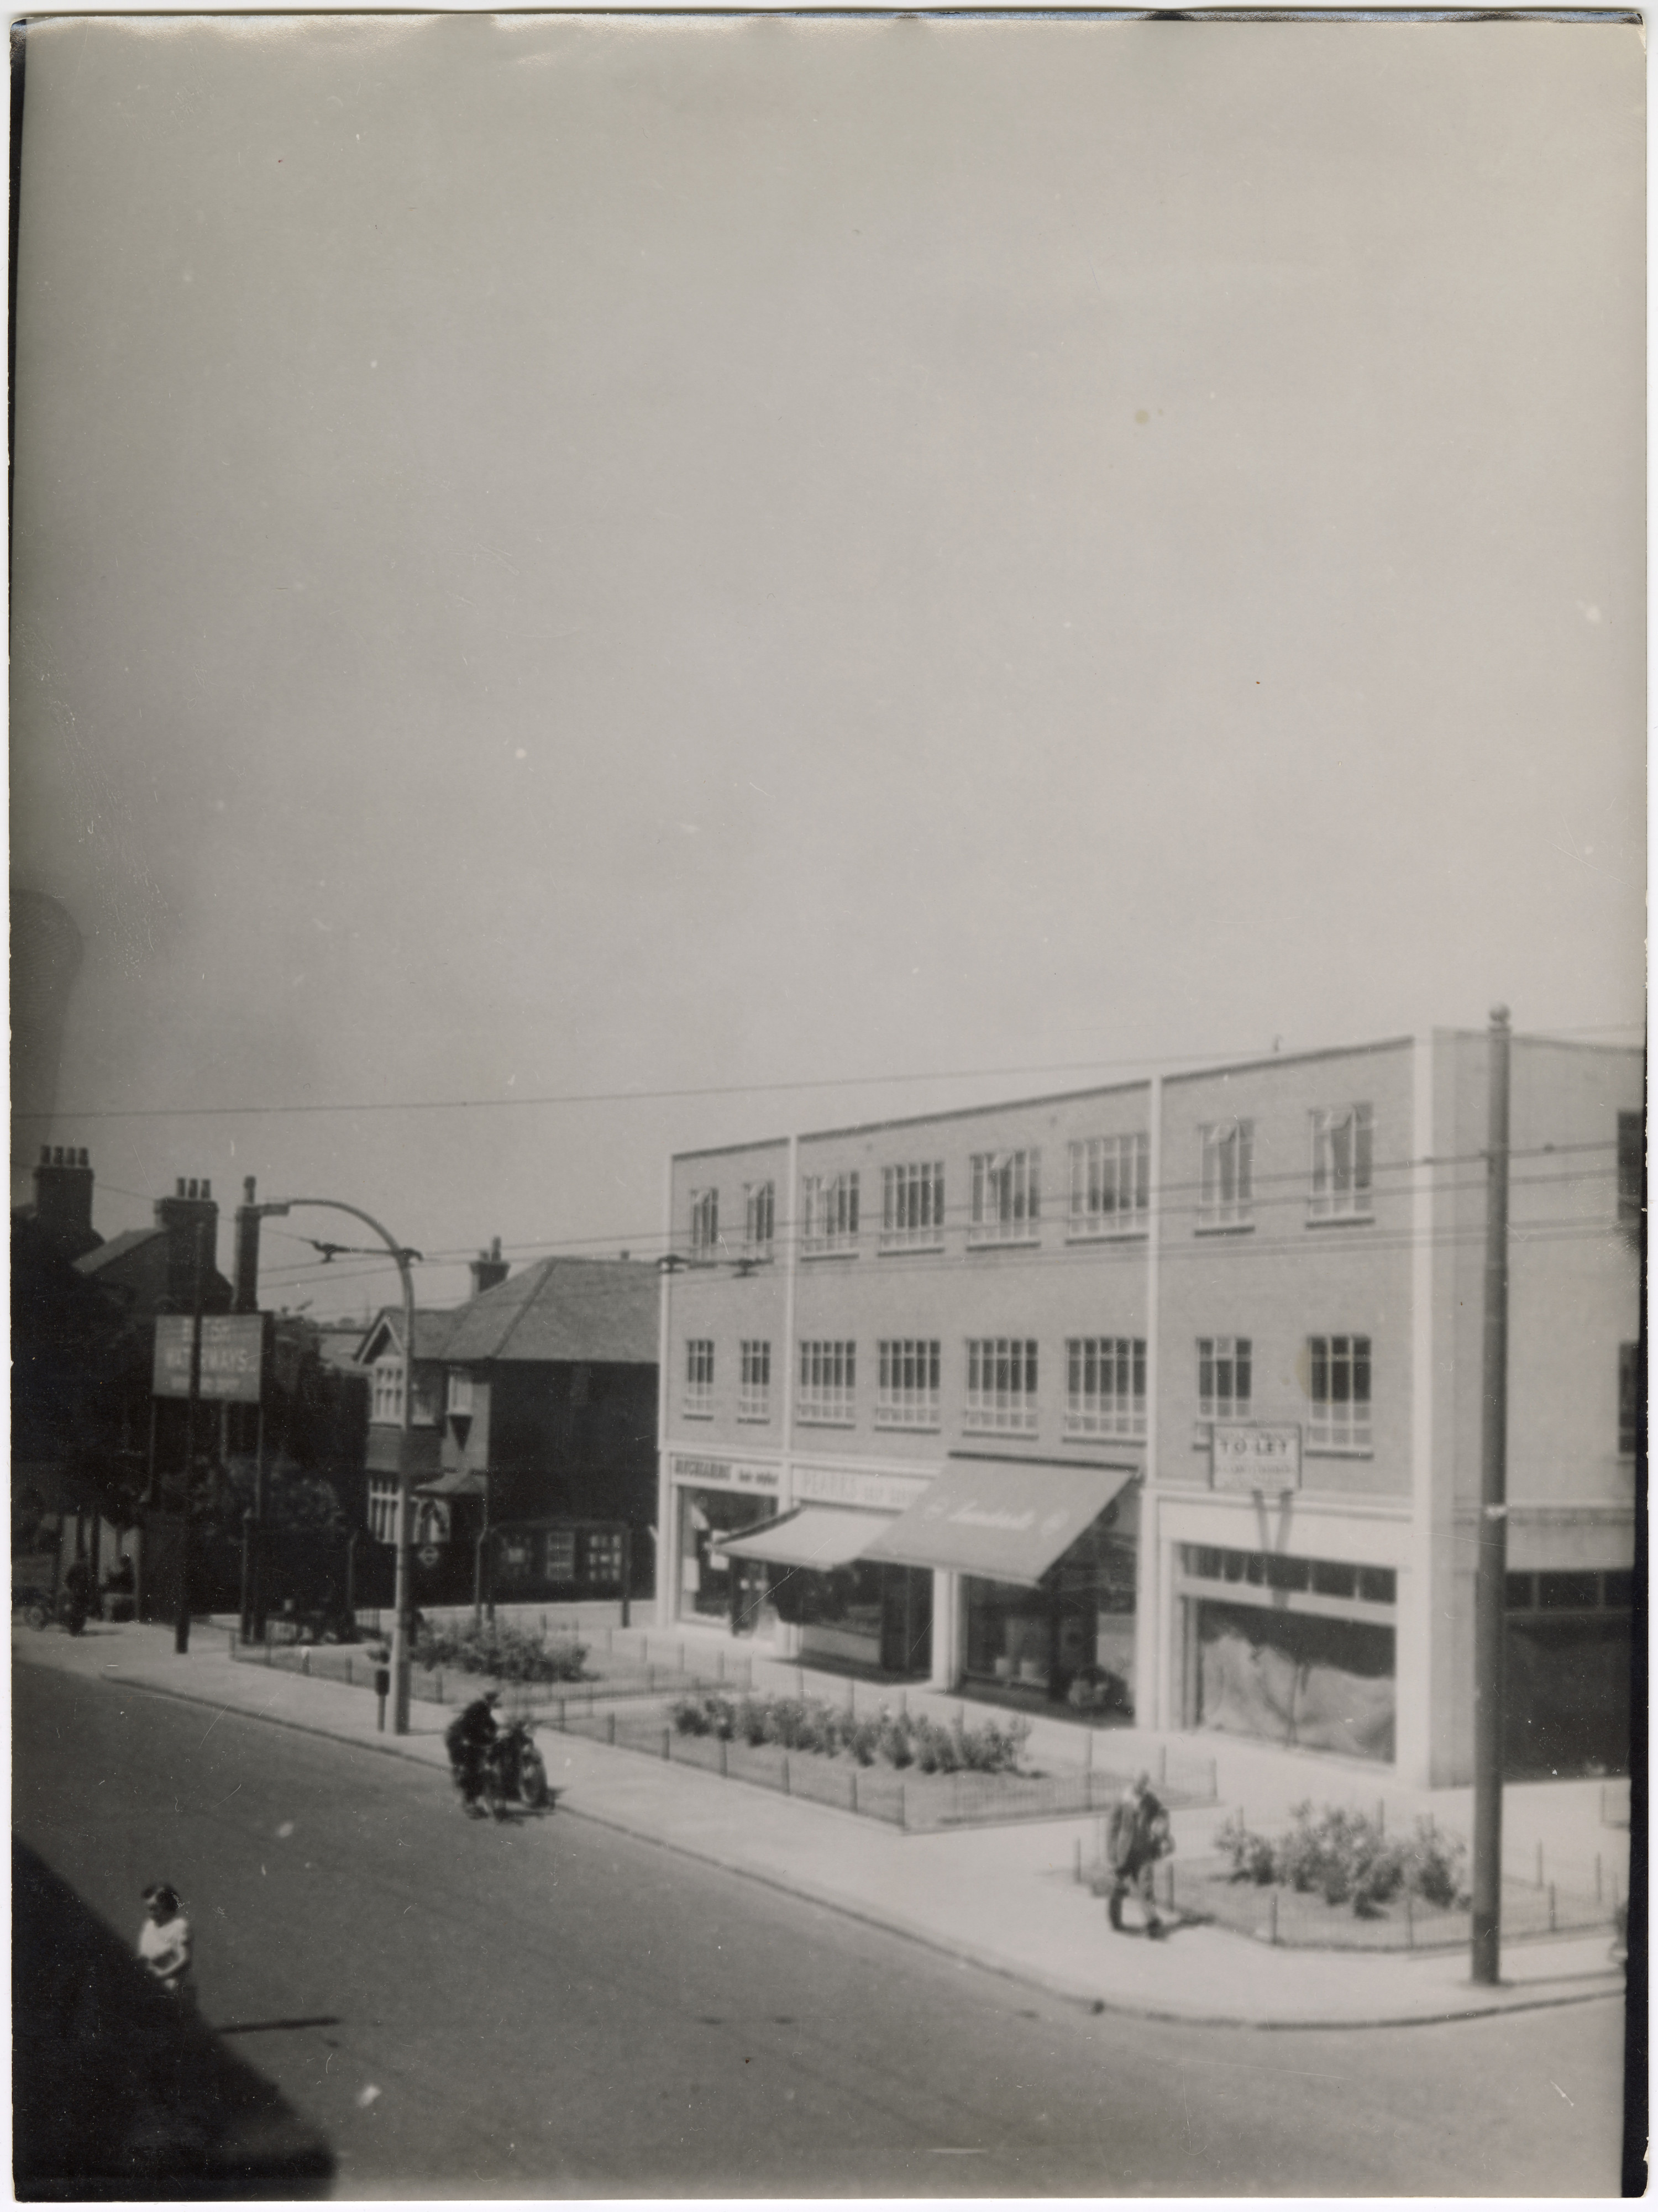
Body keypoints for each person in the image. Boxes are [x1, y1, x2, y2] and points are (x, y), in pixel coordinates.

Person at [1106, 1771, 1172, 1938]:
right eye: (1139, 1783)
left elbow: (1162, 1814)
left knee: (1146, 1888)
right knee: (1117, 1889)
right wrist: (1112, 1856)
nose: (1142, 1786)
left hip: (1143, 1853)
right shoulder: (1122, 1800)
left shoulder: (1149, 1800)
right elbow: (1112, 1829)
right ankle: (1115, 1920)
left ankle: (1152, 1924)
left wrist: (1163, 1830)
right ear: (1133, 1781)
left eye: (1144, 1783)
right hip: (1123, 1853)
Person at [445, 1690, 501, 1816]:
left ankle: (479, 1794)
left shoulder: (485, 1709)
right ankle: (469, 1803)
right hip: (458, 1739)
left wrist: (495, 1733)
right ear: (485, 1698)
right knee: (471, 1770)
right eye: (490, 1698)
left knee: (482, 1764)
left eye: (493, 1699)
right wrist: (480, 1740)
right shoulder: (475, 1709)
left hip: (471, 1739)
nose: (492, 1702)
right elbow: (465, 1727)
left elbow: (491, 1724)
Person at [137, 1883, 195, 2000]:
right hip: (150, 1988)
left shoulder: (180, 1927)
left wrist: (160, 1977)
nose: (151, 1913)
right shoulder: (149, 1926)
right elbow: (143, 1957)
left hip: (173, 1990)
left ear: (167, 1907)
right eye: (149, 1909)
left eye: (155, 1908)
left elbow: (185, 1960)